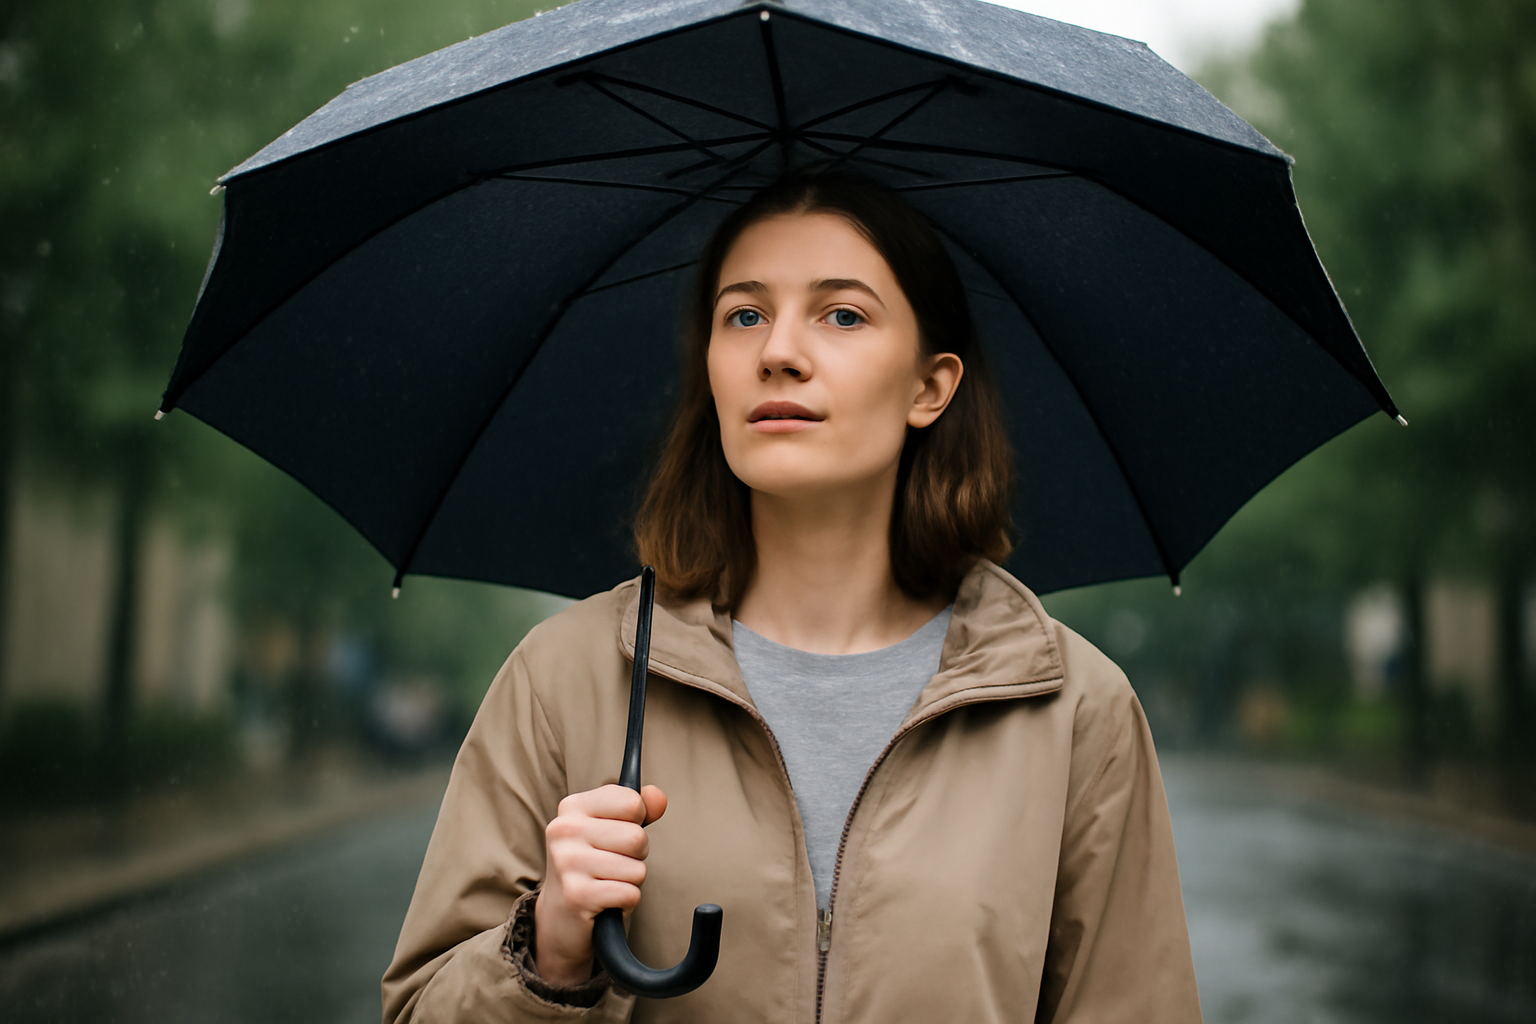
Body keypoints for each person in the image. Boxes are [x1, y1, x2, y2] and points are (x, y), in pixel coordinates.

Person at [382, 171, 1202, 1023]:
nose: (777, 350)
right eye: (743, 314)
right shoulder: (568, 680)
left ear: (930, 386)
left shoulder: (1074, 712)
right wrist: (548, 948)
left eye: (841, 314)